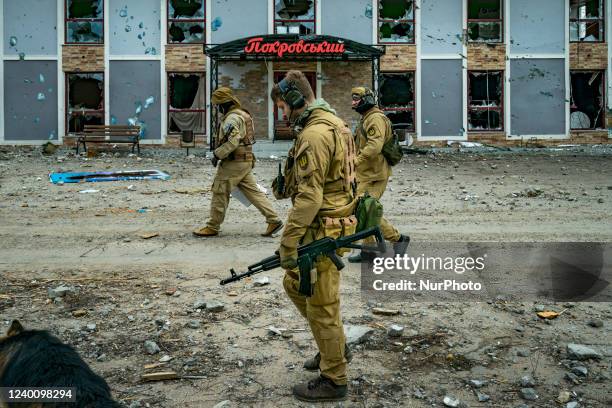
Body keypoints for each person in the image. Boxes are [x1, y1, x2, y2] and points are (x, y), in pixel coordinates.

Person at [271, 70, 355, 402]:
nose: (282, 113)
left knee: (323, 307)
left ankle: (334, 378)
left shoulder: (315, 134)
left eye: (282, 106)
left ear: (295, 100)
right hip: (332, 226)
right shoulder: (336, 124)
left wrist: (288, 242)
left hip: (321, 230)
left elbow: (310, 198)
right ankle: (331, 345)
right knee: (295, 284)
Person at [193, 87, 283, 237]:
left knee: (220, 190)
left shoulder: (231, 118)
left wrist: (217, 154)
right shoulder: (242, 114)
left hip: (233, 163)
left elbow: (233, 140)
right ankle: (273, 220)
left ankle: (213, 226)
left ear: (224, 104)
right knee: (253, 192)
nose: (218, 108)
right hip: (245, 161)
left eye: (218, 105)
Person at [349, 87, 409, 262]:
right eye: (353, 99)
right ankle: (369, 250)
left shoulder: (375, 119)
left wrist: (355, 161)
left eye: (356, 99)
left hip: (375, 175)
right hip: (366, 173)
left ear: (366, 99)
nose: (353, 103)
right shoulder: (367, 118)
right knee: (364, 211)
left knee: (365, 210)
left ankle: (398, 239)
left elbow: (374, 147)